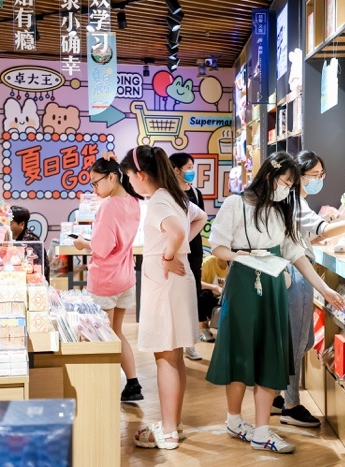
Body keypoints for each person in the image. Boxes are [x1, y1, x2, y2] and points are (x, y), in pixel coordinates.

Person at [205, 152, 345, 454]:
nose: (287, 189)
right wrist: (238, 256)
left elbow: (295, 254)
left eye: (292, 185)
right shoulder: (235, 204)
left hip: (273, 285)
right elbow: (217, 245)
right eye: (286, 182)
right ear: (269, 176)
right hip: (243, 284)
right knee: (240, 354)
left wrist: (323, 289)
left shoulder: (282, 209)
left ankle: (261, 431)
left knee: (271, 354)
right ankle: (234, 420)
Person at [271, 150, 345, 428]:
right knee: (297, 342)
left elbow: (305, 237)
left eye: (321, 175)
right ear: (297, 175)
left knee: (296, 339)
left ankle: (277, 397)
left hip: (293, 271)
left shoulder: (295, 199)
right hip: (296, 273)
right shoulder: (294, 199)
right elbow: (322, 231)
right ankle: (291, 405)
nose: (319, 180)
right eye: (314, 175)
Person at [122, 145, 208, 450]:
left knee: (165, 357)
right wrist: (177, 250)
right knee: (173, 356)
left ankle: (169, 430)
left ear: (141, 175)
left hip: (166, 282)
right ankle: (174, 424)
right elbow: (199, 218)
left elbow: (177, 232)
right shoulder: (175, 196)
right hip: (176, 282)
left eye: (129, 176)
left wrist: (170, 254)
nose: (129, 182)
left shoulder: (160, 201)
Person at [72, 156, 144, 402]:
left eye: (95, 182)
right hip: (125, 277)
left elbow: (102, 248)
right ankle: (133, 384)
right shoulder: (133, 201)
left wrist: (83, 243)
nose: (94, 189)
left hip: (105, 279)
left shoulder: (109, 206)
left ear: (112, 177)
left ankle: (102, 389)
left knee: (101, 336)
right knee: (116, 332)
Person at [169, 152, 210, 357]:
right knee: (176, 294)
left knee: (192, 293)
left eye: (193, 167)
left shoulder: (195, 192)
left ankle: (189, 343)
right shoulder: (168, 194)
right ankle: (174, 340)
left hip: (194, 248)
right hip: (176, 250)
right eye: (188, 167)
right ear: (176, 170)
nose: (192, 171)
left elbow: (200, 219)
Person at [9, 206, 50, 282]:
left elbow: (36, 267)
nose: (7, 226)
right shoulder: (14, 239)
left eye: (10, 223)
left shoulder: (31, 240)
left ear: (22, 224)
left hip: (35, 283)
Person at [199, 254, 230, 327]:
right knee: (204, 294)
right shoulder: (208, 262)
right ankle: (201, 327)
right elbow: (198, 283)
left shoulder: (231, 266)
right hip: (207, 297)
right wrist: (216, 288)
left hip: (220, 299)